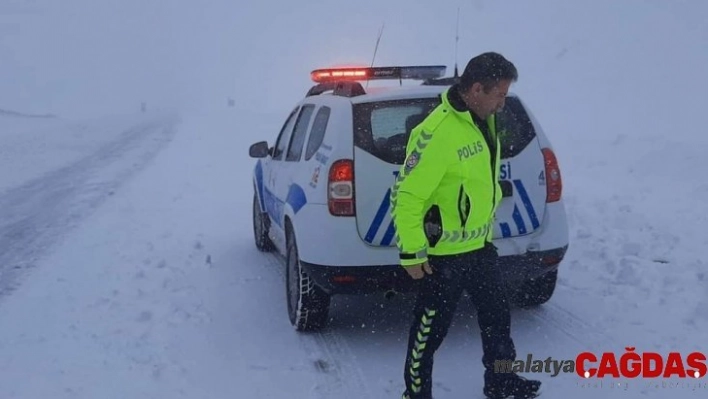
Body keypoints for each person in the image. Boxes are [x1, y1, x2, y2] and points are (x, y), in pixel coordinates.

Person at [390, 52, 541, 399]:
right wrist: (412, 253)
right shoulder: (437, 132)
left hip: (480, 249)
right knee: (429, 334)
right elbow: (408, 196)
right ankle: (415, 394)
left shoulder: (482, 120)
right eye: (499, 95)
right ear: (476, 89)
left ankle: (501, 381)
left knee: (497, 321)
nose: (503, 104)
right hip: (443, 258)